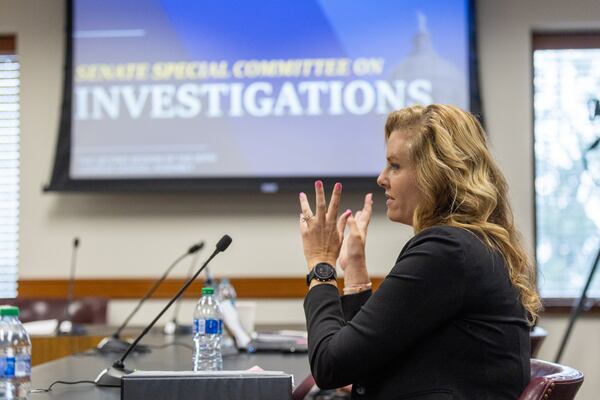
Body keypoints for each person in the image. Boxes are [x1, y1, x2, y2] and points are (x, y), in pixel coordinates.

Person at [298, 104, 541, 400]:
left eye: (395, 166)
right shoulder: (467, 246)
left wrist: (321, 266)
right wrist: (356, 271)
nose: (381, 177)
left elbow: (329, 365)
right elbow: (362, 360)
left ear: (436, 175)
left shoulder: (446, 252)